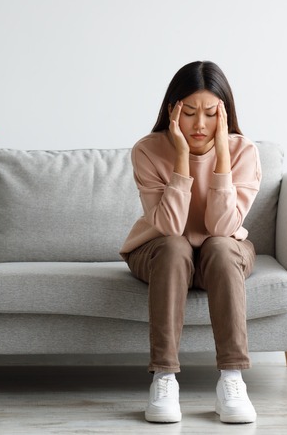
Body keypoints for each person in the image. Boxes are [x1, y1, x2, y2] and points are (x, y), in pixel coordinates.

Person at [119, 61, 261, 424]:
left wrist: (222, 159)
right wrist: (182, 158)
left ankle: (232, 379)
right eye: (191, 112)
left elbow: (223, 225)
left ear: (224, 115)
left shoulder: (244, 152)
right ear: (173, 111)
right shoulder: (148, 150)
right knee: (175, 246)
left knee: (219, 245)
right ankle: (164, 378)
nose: (200, 125)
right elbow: (168, 225)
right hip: (160, 251)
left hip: (223, 252)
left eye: (211, 114)